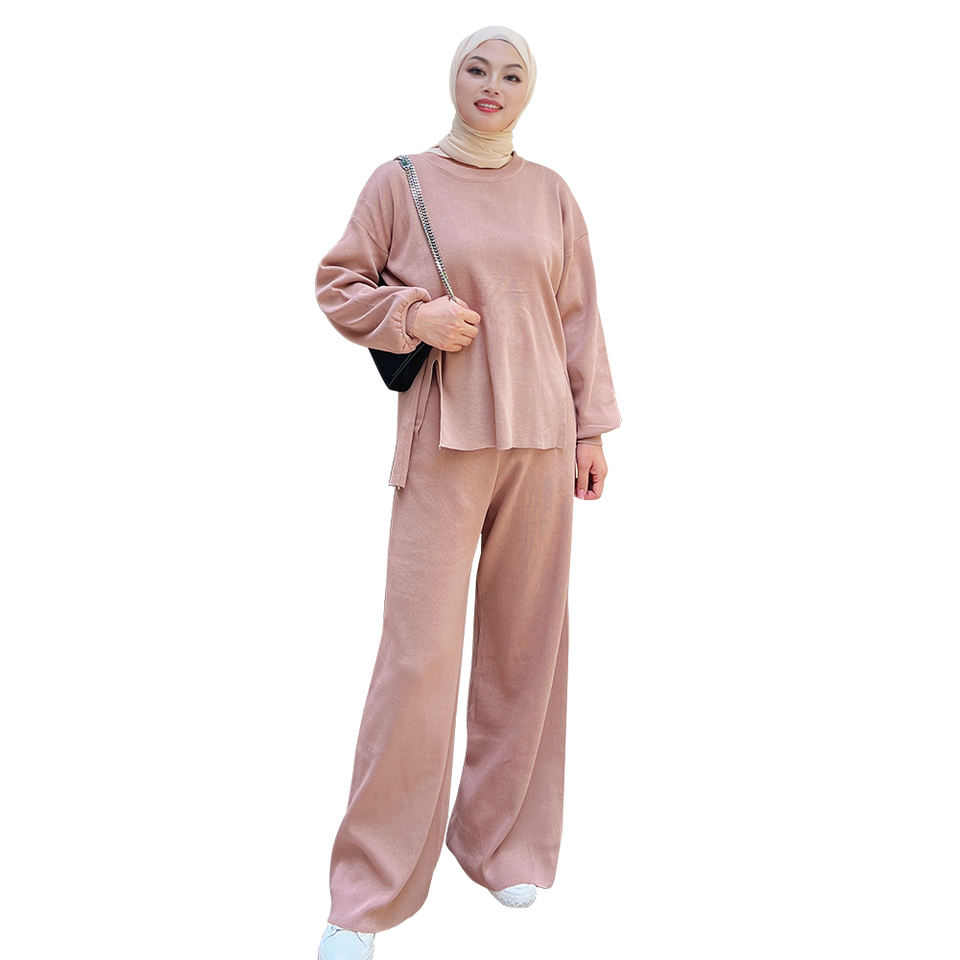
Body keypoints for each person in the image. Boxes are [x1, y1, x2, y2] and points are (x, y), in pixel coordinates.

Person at [312, 25, 621, 960]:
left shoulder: (552, 192)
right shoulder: (399, 181)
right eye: (477, 69)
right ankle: (366, 893)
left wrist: (591, 429)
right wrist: (413, 313)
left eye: (512, 73)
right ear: (453, 79)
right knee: (417, 662)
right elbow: (337, 283)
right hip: (443, 441)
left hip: (542, 439)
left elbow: (578, 316)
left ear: (531, 90)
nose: (493, 85)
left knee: (529, 651)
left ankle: (502, 844)